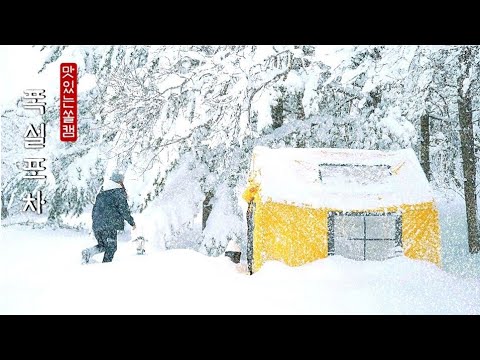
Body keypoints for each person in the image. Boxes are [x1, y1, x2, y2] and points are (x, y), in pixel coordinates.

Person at [82, 170, 136, 264]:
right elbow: (124, 209)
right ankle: (105, 268)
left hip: (97, 225)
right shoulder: (118, 192)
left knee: (103, 246)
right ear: (119, 181)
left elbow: (94, 210)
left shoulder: (102, 193)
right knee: (111, 248)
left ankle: (88, 252)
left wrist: (97, 223)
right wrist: (132, 222)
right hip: (109, 225)